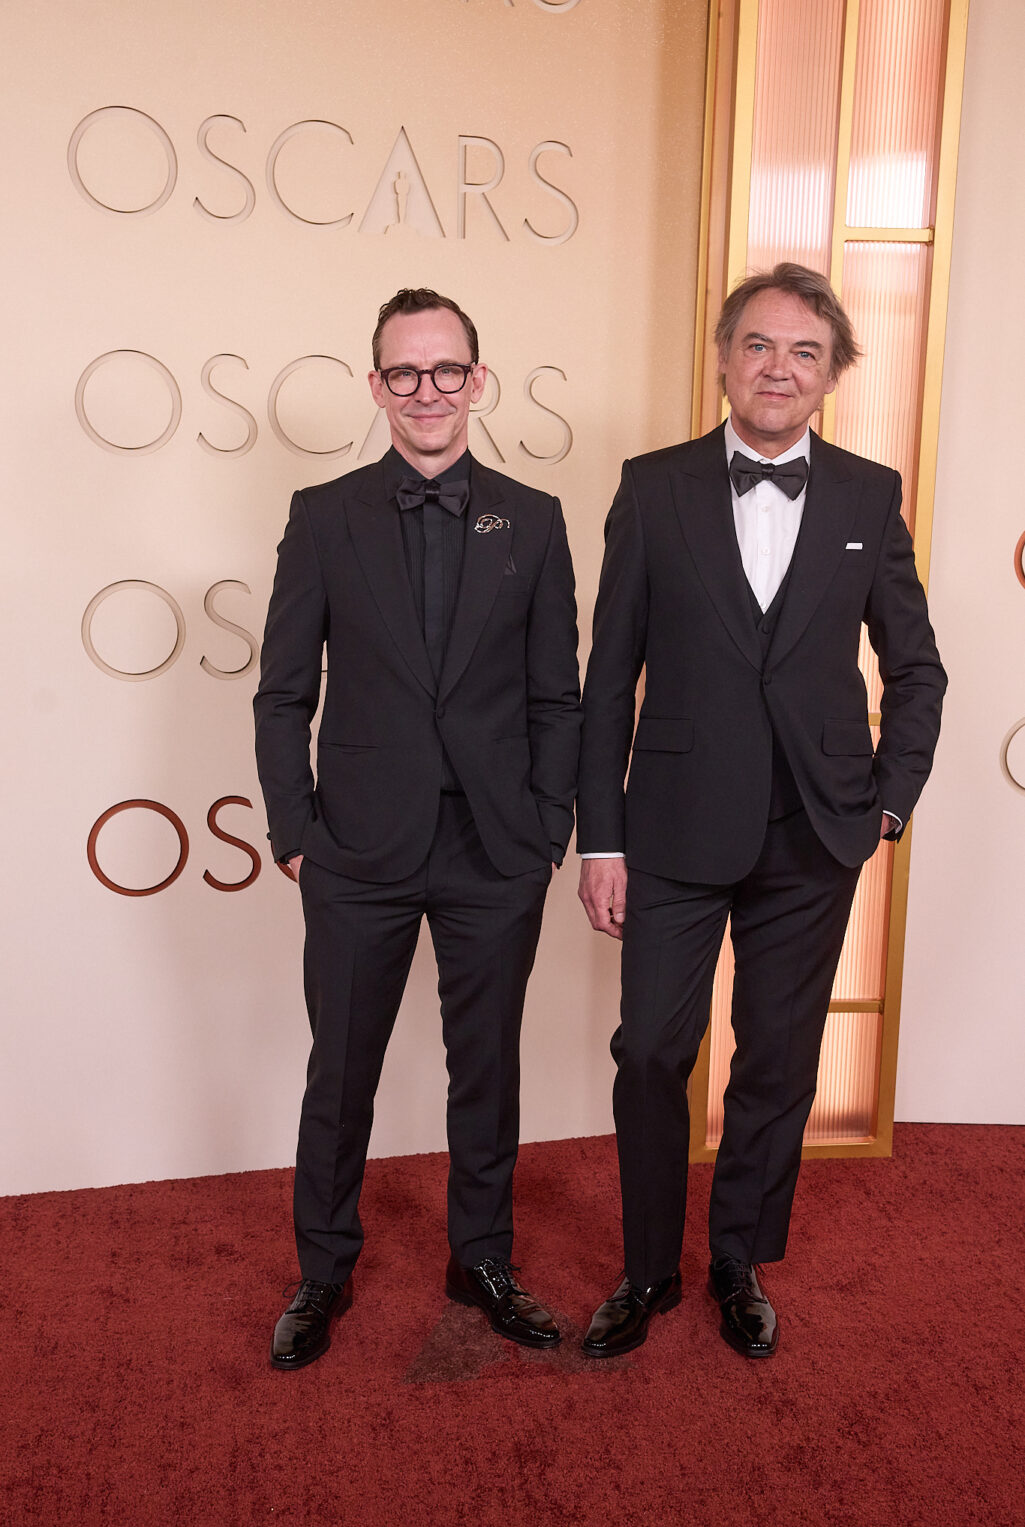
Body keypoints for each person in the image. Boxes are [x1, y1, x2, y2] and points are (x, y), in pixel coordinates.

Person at [575, 263, 945, 1360]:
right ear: (724, 359)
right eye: (758, 345)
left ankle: (736, 1260)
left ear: (830, 376)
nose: (777, 369)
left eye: (803, 352)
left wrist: (887, 804)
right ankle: (647, 1270)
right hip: (672, 826)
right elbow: (607, 681)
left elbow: (915, 668)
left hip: (816, 830)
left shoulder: (869, 495)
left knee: (776, 1058)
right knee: (652, 1049)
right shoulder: (653, 487)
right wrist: (601, 838)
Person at [254, 288, 581, 1369]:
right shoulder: (323, 514)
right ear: (376, 385)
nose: (426, 390)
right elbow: (283, 693)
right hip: (356, 849)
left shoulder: (534, 518)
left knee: (485, 1069)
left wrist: (546, 829)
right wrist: (295, 831)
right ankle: (322, 1269)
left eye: (446, 371)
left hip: (495, 848)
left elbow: (556, 695)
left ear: (477, 381)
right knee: (340, 1071)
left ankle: (480, 1259)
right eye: (405, 372)